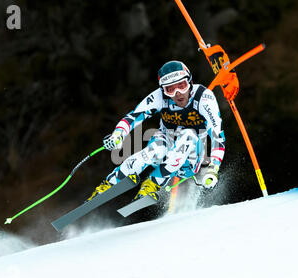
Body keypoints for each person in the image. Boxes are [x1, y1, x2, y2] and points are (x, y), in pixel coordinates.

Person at [88, 60, 226, 202]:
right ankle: (108, 185)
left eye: (182, 86)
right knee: (153, 150)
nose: (178, 94)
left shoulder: (204, 98)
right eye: (170, 89)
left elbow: (217, 137)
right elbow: (133, 117)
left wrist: (213, 168)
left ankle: (153, 183)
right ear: (163, 90)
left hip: (190, 159)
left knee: (188, 135)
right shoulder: (159, 97)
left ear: (190, 82)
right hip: (167, 144)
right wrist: (118, 134)